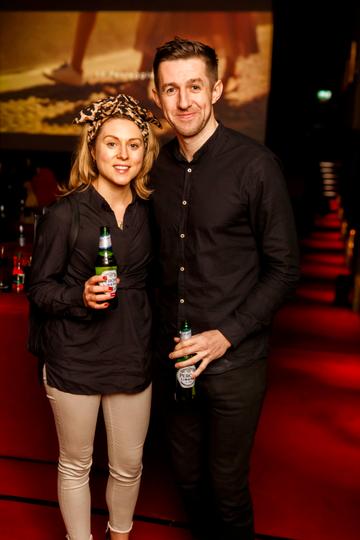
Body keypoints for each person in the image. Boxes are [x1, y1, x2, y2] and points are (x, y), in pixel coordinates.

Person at [150, 37, 300, 540]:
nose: (184, 100)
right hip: (175, 360)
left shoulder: (256, 166)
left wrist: (225, 335)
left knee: (227, 489)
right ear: (157, 95)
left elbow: (284, 268)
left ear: (216, 89)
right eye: (171, 89)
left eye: (194, 86)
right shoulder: (155, 169)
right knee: (187, 480)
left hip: (234, 363)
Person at [28, 94, 161, 540]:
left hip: (131, 356)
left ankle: (119, 536)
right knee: (76, 463)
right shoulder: (64, 213)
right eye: (111, 143)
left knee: (128, 465)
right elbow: (39, 289)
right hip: (74, 358)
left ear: (145, 153)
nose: (123, 155)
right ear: (92, 148)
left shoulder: (151, 213)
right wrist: (78, 296)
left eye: (133, 145)